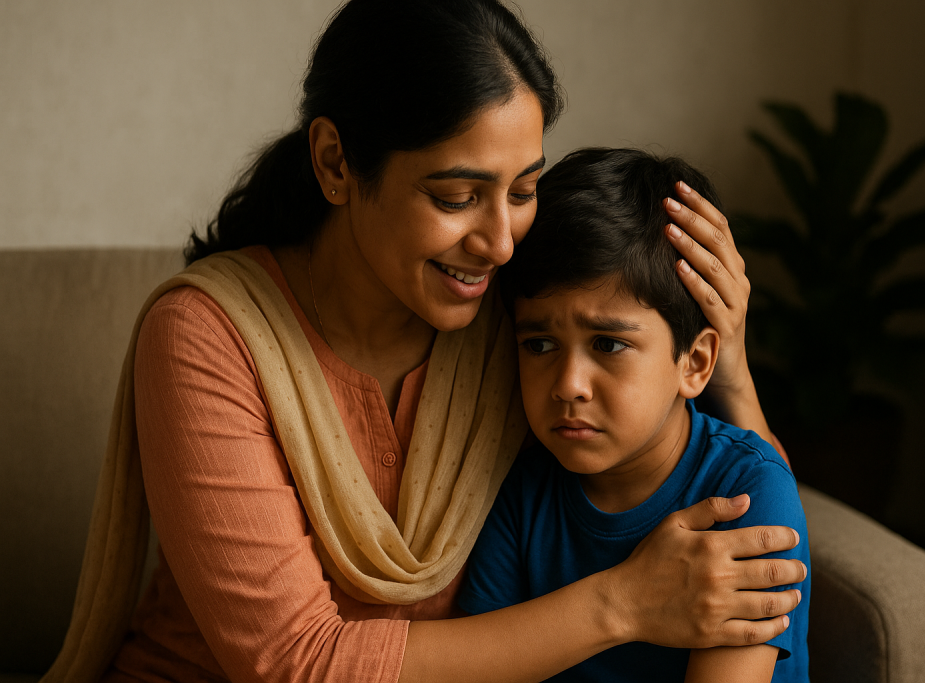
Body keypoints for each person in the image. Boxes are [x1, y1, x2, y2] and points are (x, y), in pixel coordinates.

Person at [42, 2, 806, 682]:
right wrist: (621, 605)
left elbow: (727, 485)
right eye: (456, 197)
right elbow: (293, 661)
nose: (502, 242)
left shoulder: (515, 322)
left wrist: (724, 364)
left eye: (523, 190)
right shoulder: (208, 336)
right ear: (336, 163)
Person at [459, 147, 810, 682]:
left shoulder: (744, 490)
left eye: (608, 344)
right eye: (539, 345)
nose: (568, 386)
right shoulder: (522, 489)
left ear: (694, 364)